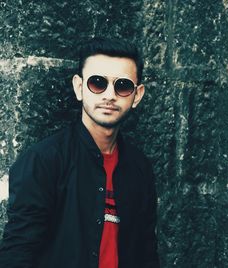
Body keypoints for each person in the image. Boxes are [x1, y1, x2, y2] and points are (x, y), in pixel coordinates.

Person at [0, 37, 160, 268]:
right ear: (79, 87)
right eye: (97, 83)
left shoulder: (139, 167)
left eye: (123, 86)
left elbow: (146, 253)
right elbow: (17, 253)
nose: (109, 95)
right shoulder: (44, 160)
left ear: (137, 95)